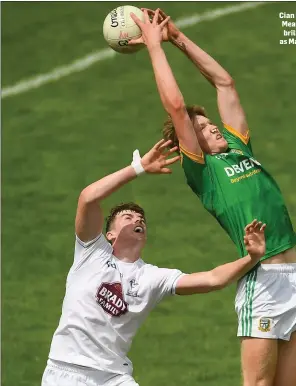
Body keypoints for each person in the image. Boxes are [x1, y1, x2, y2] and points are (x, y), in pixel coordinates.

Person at [129, 9, 296, 386]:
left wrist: (177, 38)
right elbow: (176, 107)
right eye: (201, 128)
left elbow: (225, 84)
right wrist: (154, 47)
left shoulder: (236, 147)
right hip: (262, 280)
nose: (211, 126)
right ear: (190, 144)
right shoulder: (204, 174)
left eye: (210, 123)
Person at [41, 138, 266, 386]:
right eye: (128, 217)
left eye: (141, 219)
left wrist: (251, 257)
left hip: (113, 377)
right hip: (66, 371)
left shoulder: (151, 277)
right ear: (110, 234)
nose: (138, 220)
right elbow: (87, 199)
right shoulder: (92, 253)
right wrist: (138, 168)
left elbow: (214, 279)